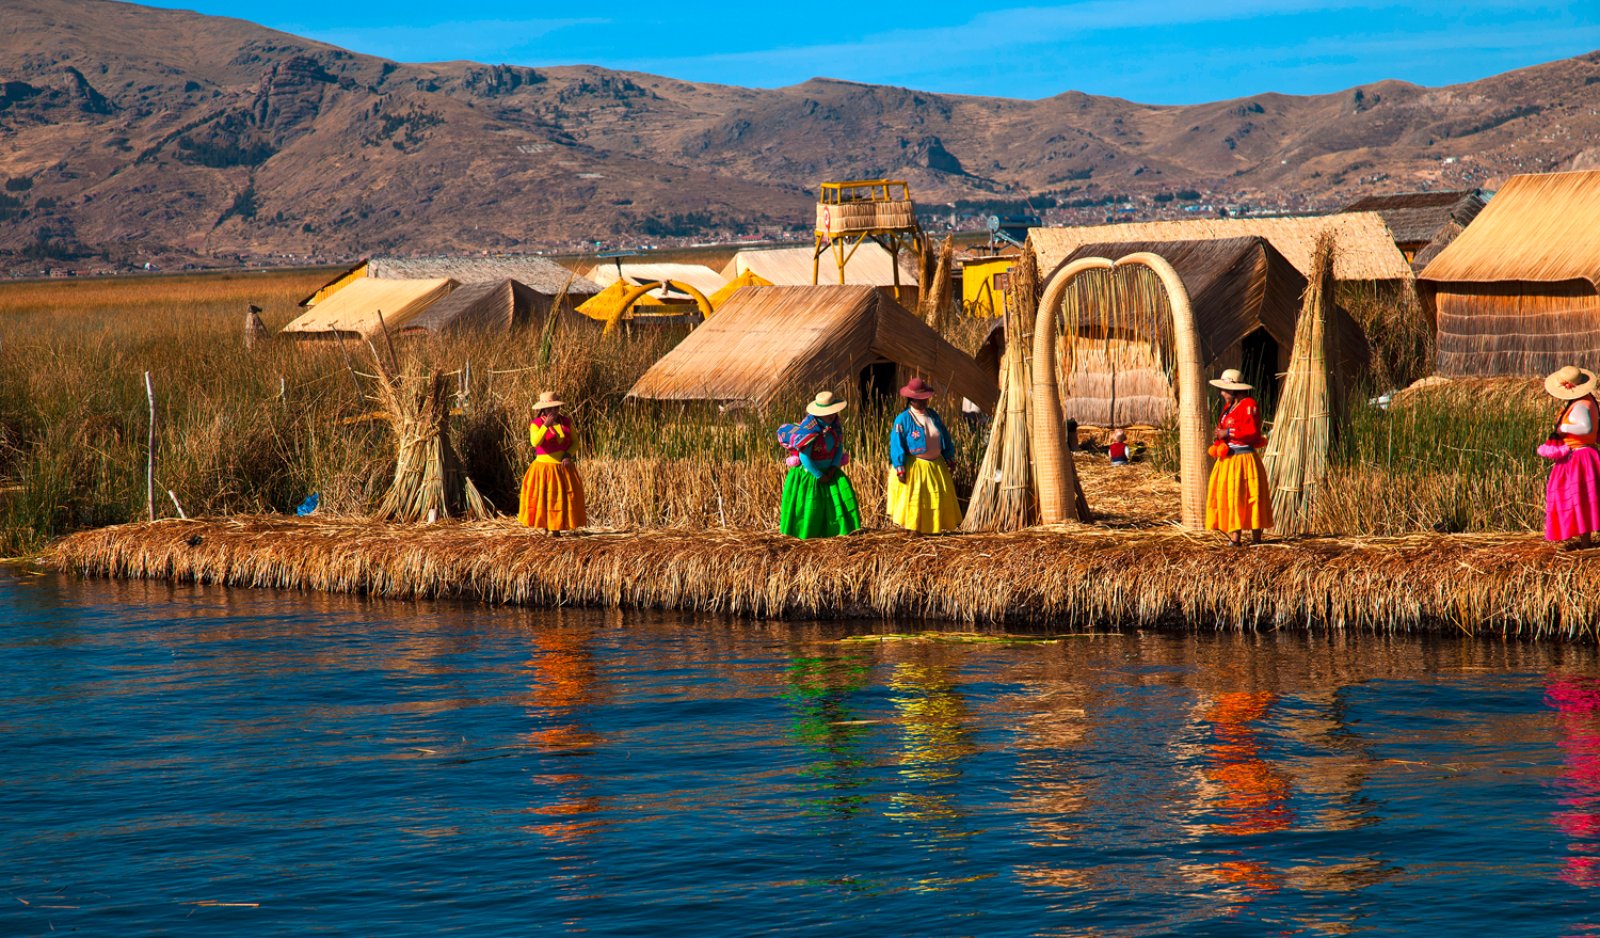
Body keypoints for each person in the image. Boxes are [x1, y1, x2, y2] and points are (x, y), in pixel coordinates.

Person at [778, 391, 861, 539]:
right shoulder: (810, 430)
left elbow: (838, 447)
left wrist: (833, 468)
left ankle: (838, 533)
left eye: (834, 412)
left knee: (837, 505)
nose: (833, 415)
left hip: (830, 471)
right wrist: (819, 475)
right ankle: (807, 534)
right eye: (828, 412)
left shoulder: (835, 426)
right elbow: (804, 456)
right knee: (811, 507)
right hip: (811, 475)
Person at [1204, 368, 1272, 546]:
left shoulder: (1249, 404)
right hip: (1229, 459)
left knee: (1251, 495)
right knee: (1233, 496)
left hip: (1244, 459)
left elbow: (1251, 431)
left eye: (1225, 390)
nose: (1222, 393)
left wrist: (1227, 431)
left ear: (1235, 390)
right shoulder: (1228, 408)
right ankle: (1236, 539)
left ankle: (1256, 538)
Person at [888, 377, 962, 534]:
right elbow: (896, 445)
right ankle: (914, 532)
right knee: (916, 502)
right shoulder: (903, 420)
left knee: (936, 501)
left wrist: (949, 457)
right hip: (916, 468)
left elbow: (944, 437)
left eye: (924, 399)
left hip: (936, 466)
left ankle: (933, 530)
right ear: (910, 399)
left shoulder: (933, 415)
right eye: (917, 399)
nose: (921, 402)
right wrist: (900, 468)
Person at [1541, 365, 1600, 549]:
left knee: (1580, 497)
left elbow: (1586, 428)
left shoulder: (1581, 405)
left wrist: (1563, 429)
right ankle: (1585, 540)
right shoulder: (1588, 401)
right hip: (1584, 455)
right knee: (1583, 497)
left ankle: (1585, 541)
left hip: (1579, 457)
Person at [518, 391, 586, 534]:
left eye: (556, 408)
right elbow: (535, 442)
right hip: (544, 468)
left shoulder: (565, 422)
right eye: (550, 409)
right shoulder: (536, 424)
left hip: (562, 467)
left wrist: (568, 455)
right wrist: (546, 426)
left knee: (559, 499)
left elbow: (575, 443)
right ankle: (547, 527)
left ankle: (557, 529)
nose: (554, 411)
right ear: (543, 409)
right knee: (544, 499)